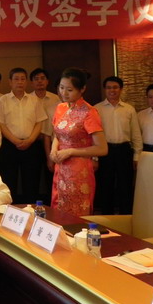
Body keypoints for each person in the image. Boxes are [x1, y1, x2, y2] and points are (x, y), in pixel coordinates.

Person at [50, 68, 107, 216]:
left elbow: (102, 148)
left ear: (82, 89)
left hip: (79, 170)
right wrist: (53, 149)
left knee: (76, 211)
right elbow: (57, 135)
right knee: (58, 206)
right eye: (61, 88)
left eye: (69, 90)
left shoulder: (89, 112)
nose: (64, 93)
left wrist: (70, 151)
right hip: (61, 166)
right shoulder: (60, 108)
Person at [0, 68, 46, 203]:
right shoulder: (3, 101)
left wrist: (30, 140)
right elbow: (0, 124)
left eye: (23, 79)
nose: (20, 82)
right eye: (16, 79)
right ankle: (9, 210)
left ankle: (32, 209)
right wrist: (15, 140)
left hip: (31, 145)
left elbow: (39, 122)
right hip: (9, 146)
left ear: (26, 82)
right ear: (10, 82)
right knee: (9, 180)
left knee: (31, 181)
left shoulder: (34, 100)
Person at [94, 76, 142, 215]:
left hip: (124, 150)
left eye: (115, 87)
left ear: (121, 89)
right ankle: (107, 218)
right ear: (105, 90)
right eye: (109, 88)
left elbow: (136, 134)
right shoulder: (97, 109)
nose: (112, 90)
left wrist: (137, 156)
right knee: (105, 185)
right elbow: (93, 135)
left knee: (125, 186)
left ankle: (126, 217)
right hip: (104, 150)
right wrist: (94, 158)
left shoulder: (129, 109)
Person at [29, 67, 61, 204]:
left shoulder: (56, 99)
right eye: (36, 79)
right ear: (31, 82)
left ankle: (51, 204)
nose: (39, 81)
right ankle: (33, 205)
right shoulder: (27, 99)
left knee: (51, 176)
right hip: (33, 142)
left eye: (42, 78)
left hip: (53, 142)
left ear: (47, 81)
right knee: (33, 176)